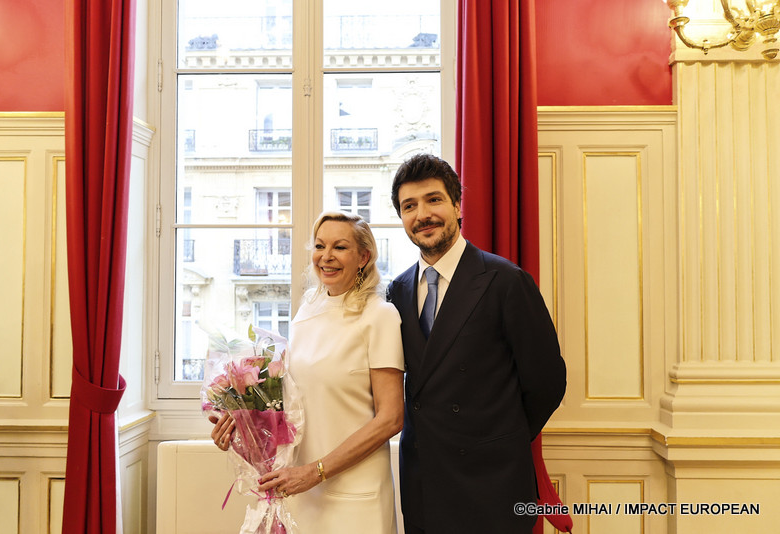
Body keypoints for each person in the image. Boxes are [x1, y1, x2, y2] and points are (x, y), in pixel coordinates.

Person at [386, 153, 567, 534]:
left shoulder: (506, 281)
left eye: (433, 200)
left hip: (493, 484)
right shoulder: (397, 291)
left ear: (456, 204)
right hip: (423, 483)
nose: (423, 215)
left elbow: (547, 382)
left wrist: (496, 438)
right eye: (409, 205)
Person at [210, 211, 405, 534]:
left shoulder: (380, 316)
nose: (326, 257)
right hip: (301, 490)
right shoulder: (306, 311)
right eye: (319, 245)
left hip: (356, 496)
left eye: (340, 247)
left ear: (364, 257)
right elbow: (292, 403)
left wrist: (316, 472)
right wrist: (240, 425)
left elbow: (390, 418)